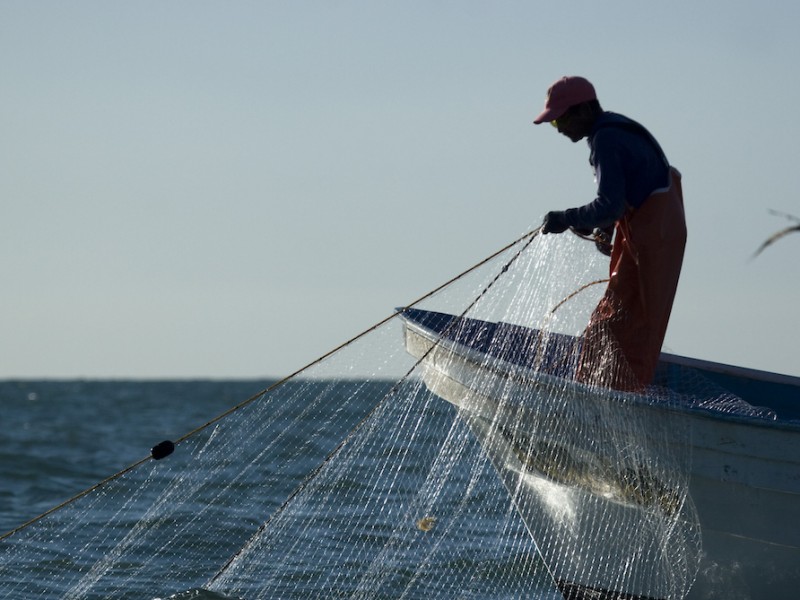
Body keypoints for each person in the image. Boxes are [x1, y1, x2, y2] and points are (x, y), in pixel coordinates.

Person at [533, 76, 687, 390]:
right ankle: (616, 388)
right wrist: (606, 228)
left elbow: (609, 205)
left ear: (585, 109)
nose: (560, 128)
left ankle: (608, 396)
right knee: (627, 322)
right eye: (554, 123)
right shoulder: (617, 128)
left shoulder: (606, 140)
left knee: (615, 325)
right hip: (658, 232)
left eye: (562, 119)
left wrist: (566, 217)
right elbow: (626, 194)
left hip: (654, 238)